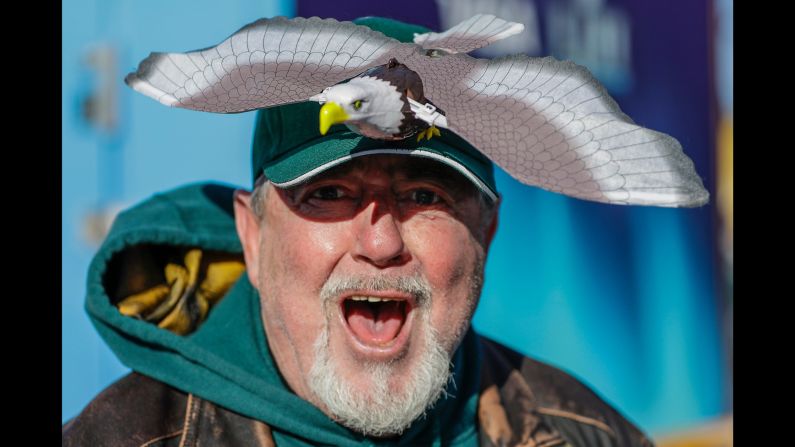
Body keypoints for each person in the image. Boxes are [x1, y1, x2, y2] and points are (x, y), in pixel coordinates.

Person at [60, 16, 685, 447]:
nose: (382, 243)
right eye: (329, 194)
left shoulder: (586, 432)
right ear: (253, 240)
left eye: (422, 196)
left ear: (485, 234)